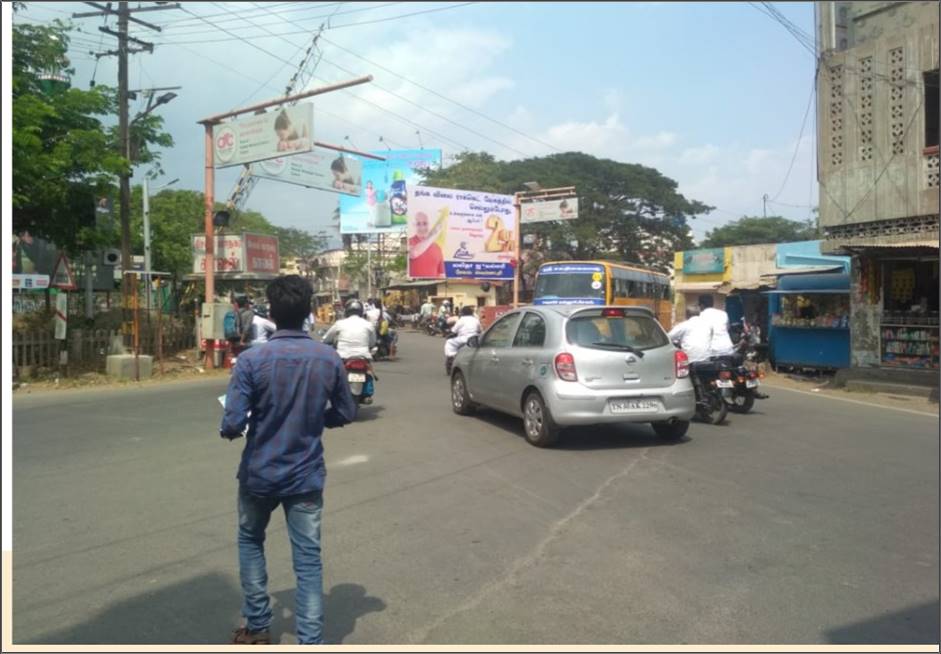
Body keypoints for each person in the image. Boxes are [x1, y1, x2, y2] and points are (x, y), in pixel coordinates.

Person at [220, 275, 357, 646]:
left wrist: (233, 429)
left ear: (272, 312)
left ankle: (258, 626)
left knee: (251, 540)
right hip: (306, 476)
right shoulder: (328, 358)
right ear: (308, 311)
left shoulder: (250, 361)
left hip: (259, 474)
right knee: (308, 559)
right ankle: (311, 641)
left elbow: (232, 422)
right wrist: (316, 420)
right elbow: (346, 411)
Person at [322, 300, 377, 402]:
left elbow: (326, 339)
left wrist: (325, 342)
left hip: (343, 356)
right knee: (368, 372)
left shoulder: (340, 323)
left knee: (332, 373)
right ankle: (365, 394)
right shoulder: (368, 324)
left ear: (346, 311)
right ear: (361, 311)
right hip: (363, 356)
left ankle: (332, 393)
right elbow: (373, 342)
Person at [444, 305, 482, 373]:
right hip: (474, 339)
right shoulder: (476, 320)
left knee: (449, 342)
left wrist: (448, 336)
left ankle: (451, 358)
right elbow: (480, 330)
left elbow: (453, 331)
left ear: (463, 313)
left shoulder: (461, 320)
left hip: (463, 339)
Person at [408, 211, 444, 278]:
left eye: (425, 223)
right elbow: (413, 254)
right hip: (413, 287)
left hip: (433, 287)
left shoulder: (437, 248)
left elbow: (441, 274)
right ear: (413, 225)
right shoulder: (409, 242)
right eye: (418, 224)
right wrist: (433, 235)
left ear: (429, 225)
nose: (422, 227)